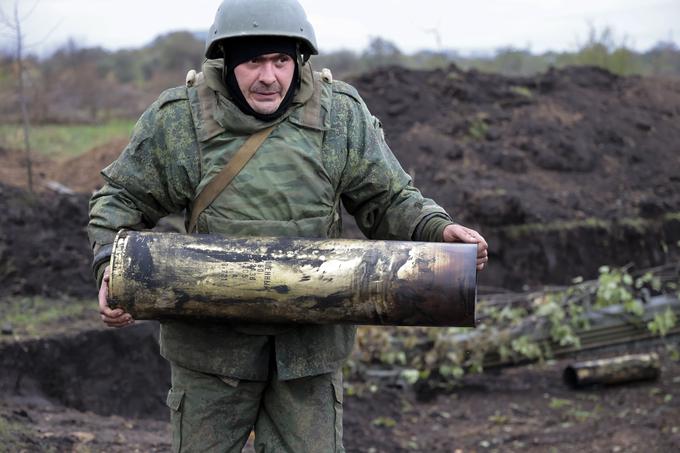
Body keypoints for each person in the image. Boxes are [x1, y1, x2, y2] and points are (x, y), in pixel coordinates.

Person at [88, 0, 488, 451]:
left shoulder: (339, 115)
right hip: (211, 353)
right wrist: (109, 267)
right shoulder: (180, 120)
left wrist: (437, 230)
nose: (269, 77)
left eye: (281, 60)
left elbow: (388, 198)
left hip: (307, 356)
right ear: (226, 61)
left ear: (299, 60)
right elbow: (119, 200)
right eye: (254, 61)